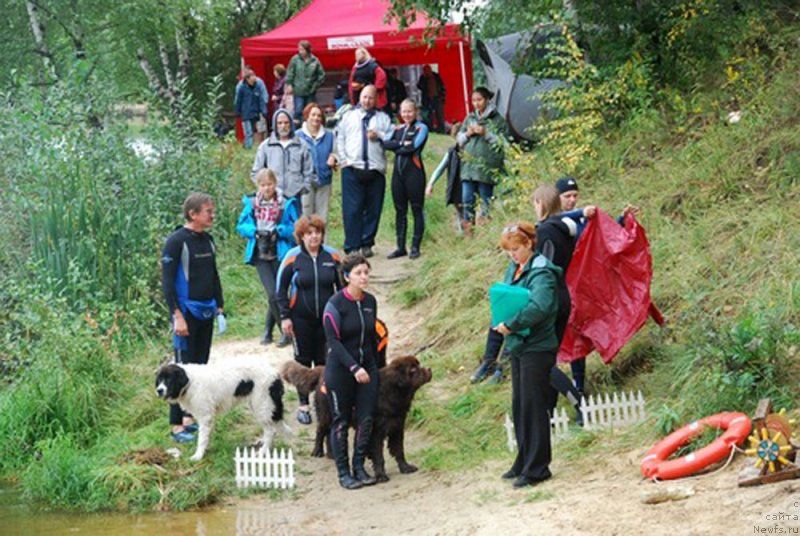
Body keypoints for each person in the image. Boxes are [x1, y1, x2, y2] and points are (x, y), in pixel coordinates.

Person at [493, 222, 560, 488]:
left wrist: (512, 323)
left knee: (534, 408)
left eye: (516, 249)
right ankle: (523, 460)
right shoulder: (516, 267)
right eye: (509, 250)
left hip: (537, 345)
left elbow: (540, 306)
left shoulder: (542, 270)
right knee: (520, 406)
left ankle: (537, 468)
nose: (512, 254)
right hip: (519, 344)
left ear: (530, 244)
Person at [161, 193, 224, 443]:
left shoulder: (207, 240)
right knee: (180, 370)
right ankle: (176, 426)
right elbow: (167, 282)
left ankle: (189, 419)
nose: (212, 215)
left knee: (200, 368)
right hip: (185, 314)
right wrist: (177, 315)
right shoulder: (176, 242)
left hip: (206, 311)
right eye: (208, 211)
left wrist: (219, 307)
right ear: (193, 214)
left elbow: (214, 274)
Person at [276, 215, 343, 425]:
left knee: (326, 362)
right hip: (300, 319)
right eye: (309, 233)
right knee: (302, 362)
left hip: (327, 319)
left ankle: (325, 404)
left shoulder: (333, 256)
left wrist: (343, 316)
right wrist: (285, 317)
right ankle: (303, 406)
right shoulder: (292, 257)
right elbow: (280, 290)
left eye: (317, 232)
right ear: (301, 236)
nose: (314, 237)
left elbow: (342, 290)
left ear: (322, 235)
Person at [322, 252, 380, 489]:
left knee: (366, 419)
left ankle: (359, 466)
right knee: (341, 420)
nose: (363, 277)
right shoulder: (334, 305)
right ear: (347, 277)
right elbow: (333, 342)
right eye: (358, 273)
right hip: (341, 370)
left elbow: (372, 339)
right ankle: (343, 472)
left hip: (368, 369)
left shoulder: (370, 302)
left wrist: (376, 368)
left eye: (366, 272)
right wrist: (354, 367)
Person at [236, 169, 300, 347]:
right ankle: (285, 332)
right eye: (263, 185)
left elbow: (296, 227)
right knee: (273, 293)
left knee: (278, 293)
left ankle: (267, 330)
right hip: (260, 253)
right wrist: (255, 232)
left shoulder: (286, 203)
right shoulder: (251, 203)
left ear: (275, 183)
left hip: (280, 251)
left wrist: (278, 231)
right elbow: (241, 226)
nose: (267, 188)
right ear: (258, 186)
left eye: (270, 184)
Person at [334, 85, 393, 257]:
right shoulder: (349, 116)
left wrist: (379, 135)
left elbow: (391, 137)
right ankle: (352, 246)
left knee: (373, 209)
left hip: (375, 169)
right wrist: (343, 159)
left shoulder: (383, 118)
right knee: (352, 210)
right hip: (352, 168)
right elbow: (340, 137)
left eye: (371, 98)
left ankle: (367, 243)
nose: (367, 101)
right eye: (364, 97)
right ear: (360, 97)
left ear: (376, 100)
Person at [457, 87, 509, 234]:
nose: (476, 103)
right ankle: (469, 234)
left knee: (486, 201)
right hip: (468, 168)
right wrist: (468, 133)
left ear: (487, 100)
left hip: (487, 169)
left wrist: (486, 133)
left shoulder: (497, 120)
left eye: (479, 100)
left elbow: (503, 143)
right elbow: (459, 141)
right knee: (467, 201)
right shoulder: (470, 118)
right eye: (474, 100)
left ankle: (486, 234)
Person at [383, 99, 429, 259]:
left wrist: (398, 145)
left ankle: (415, 246)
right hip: (398, 174)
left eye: (409, 111)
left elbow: (413, 147)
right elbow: (385, 143)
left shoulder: (421, 127)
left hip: (414, 173)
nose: (407, 114)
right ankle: (400, 247)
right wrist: (401, 143)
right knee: (400, 211)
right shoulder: (399, 128)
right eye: (404, 111)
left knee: (416, 209)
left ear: (415, 111)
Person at [250, 108, 315, 204]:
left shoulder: (302, 145)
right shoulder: (265, 146)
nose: (283, 126)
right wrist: (265, 189)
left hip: (295, 196)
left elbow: (309, 171)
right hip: (272, 200)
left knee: (295, 219)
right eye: (279, 123)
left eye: (286, 123)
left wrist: (304, 187)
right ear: (274, 125)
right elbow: (256, 172)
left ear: (291, 124)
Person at [296, 103, 336, 221]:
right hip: (305, 182)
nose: (316, 118)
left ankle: (322, 240)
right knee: (305, 216)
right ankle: (304, 240)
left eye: (319, 116)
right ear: (307, 116)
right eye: (313, 115)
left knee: (322, 217)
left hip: (324, 179)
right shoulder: (298, 136)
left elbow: (337, 152)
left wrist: (334, 157)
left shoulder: (329, 135)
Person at [426, 122, 463, 235]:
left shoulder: (473, 152)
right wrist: (431, 183)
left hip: (469, 187)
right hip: (456, 186)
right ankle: (463, 237)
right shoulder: (452, 152)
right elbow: (440, 168)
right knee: (460, 214)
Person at [285, 40, 326, 123]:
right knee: (298, 110)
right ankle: (297, 129)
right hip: (298, 90)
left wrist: (315, 85)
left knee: (310, 110)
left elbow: (322, 75)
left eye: (302, 49)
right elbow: (290, 72)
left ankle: (310, 127)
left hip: (310, 91)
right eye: (299, 49)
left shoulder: (315, 60)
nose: (300, 51)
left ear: (307, 49)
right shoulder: (295, 59)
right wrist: (289, 84)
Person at [235, 70, 268, 149]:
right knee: (248, 132)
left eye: (254, 76)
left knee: (253, 132)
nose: (254, 78)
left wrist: (263, 111)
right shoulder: (242, 88)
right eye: (252, 76)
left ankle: (247, 146)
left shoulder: (257, 87)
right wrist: (238, 112)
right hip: (246, 114)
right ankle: (248, 148)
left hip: (255, 114)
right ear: (247, 79)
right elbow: (238, 101)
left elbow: (261, 100)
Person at [417, 65, 446, 133]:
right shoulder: (423, 77)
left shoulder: (436, 76)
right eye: (425, 70)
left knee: (440, 115)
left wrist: (442, 97)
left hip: (437, 98)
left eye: (428, 70)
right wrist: (424, 78)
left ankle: (441, 130)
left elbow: (442, 86)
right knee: (428, 116)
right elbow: (419, 86)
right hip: (427, 100)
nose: (427, 72)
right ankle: (430, 129)